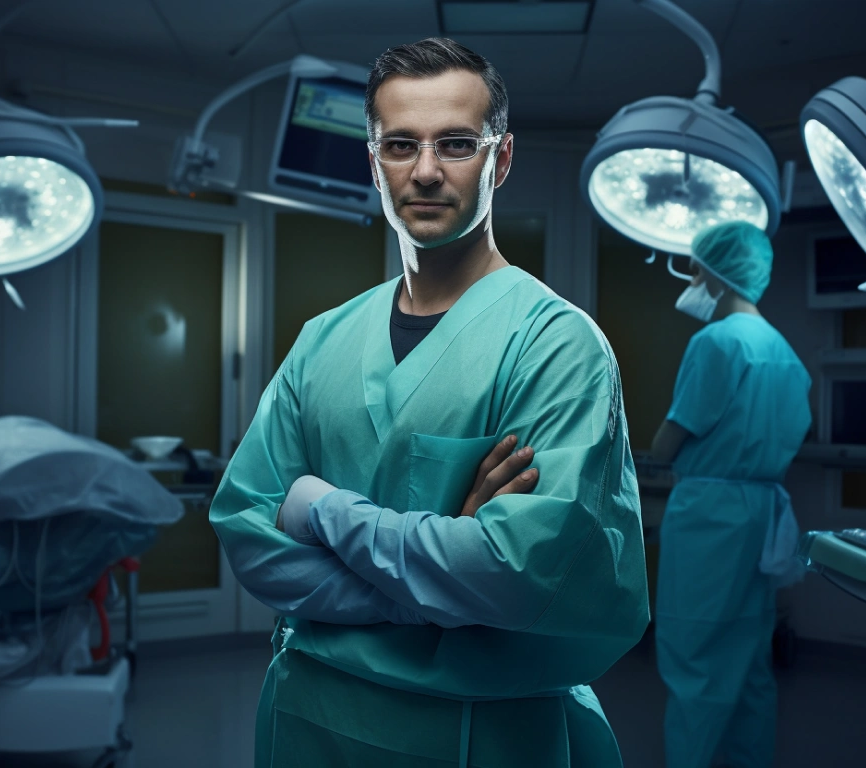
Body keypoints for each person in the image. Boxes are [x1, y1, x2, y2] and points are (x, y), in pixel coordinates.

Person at [208, 37, 649, 768]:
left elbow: (512, 572)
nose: (425, 171)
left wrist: (322, 510)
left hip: (478, 731)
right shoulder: (323, 340)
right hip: (306, 716)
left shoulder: (555, 346)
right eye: (400, 145)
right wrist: (429, 579)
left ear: (500, 159)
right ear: (373, 161)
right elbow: (247, 531)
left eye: (456, 143)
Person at [648, 220, 811, 768]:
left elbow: (671, 440)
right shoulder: (785, 352)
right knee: (748, 660)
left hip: (710, 519)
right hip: (762, 513)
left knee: (694, 657)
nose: (691, 278)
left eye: (695, 267)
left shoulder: (716, 342)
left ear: (717, 273)